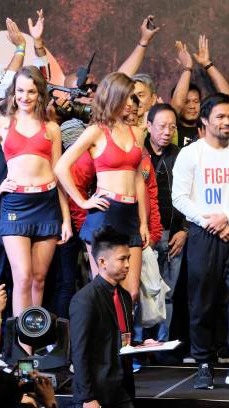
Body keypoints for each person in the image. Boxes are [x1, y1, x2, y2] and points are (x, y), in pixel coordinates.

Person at [0, 66, 72, 335]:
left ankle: (34, 342)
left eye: (31, 91)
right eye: (20, 91)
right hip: (15, 207)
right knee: (23, 277)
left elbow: (59, 174)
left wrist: (67, 219)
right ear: (13, 93)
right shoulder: (3, 123)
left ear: (40, 94)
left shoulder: (51, 128)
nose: (25, 97)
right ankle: (23, 347)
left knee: (39, 279)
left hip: (47, 206)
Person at [172, 92, 229, 389]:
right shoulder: (190, 154)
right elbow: (179, 198)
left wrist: (226, 216)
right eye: (220, 117)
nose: (227, 122)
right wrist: (211, 222)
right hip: (202, 234)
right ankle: (203, 365)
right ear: (205, 121)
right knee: (202, 302)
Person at [55, 72, 149, 302]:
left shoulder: (137, 132)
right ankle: (108, 340)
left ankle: (124, 339)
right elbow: (61, 167)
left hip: (130, 215)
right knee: (107, 295)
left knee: (132, 293)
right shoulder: (96, 130)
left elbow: (138, 178)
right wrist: (83, 201)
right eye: (126, 97)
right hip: (105, 213)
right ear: (113, 97)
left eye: (133, 97)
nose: (130, 103)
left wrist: (144, 221)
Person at [69, 226, 135, 408]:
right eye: (122, 259)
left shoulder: (124, 296)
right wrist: (87, 398)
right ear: (102, 262)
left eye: (128, 258)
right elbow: (79, 352)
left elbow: (118, 339)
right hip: (97, 393)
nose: (128, 264)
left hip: (122, 389)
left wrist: (141, 345)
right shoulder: (84, 299)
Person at [144, 103, 187, 342]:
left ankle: (163, 343)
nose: (167, 131)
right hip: (145, 234)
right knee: (141, 293)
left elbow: (192, 194)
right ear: (149, 126)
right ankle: (139, 345)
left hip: (174, 234)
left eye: (172, 126)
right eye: (161, 126)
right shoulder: (136, 153)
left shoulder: (180, 155)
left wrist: (185, 231)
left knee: (167, 293)